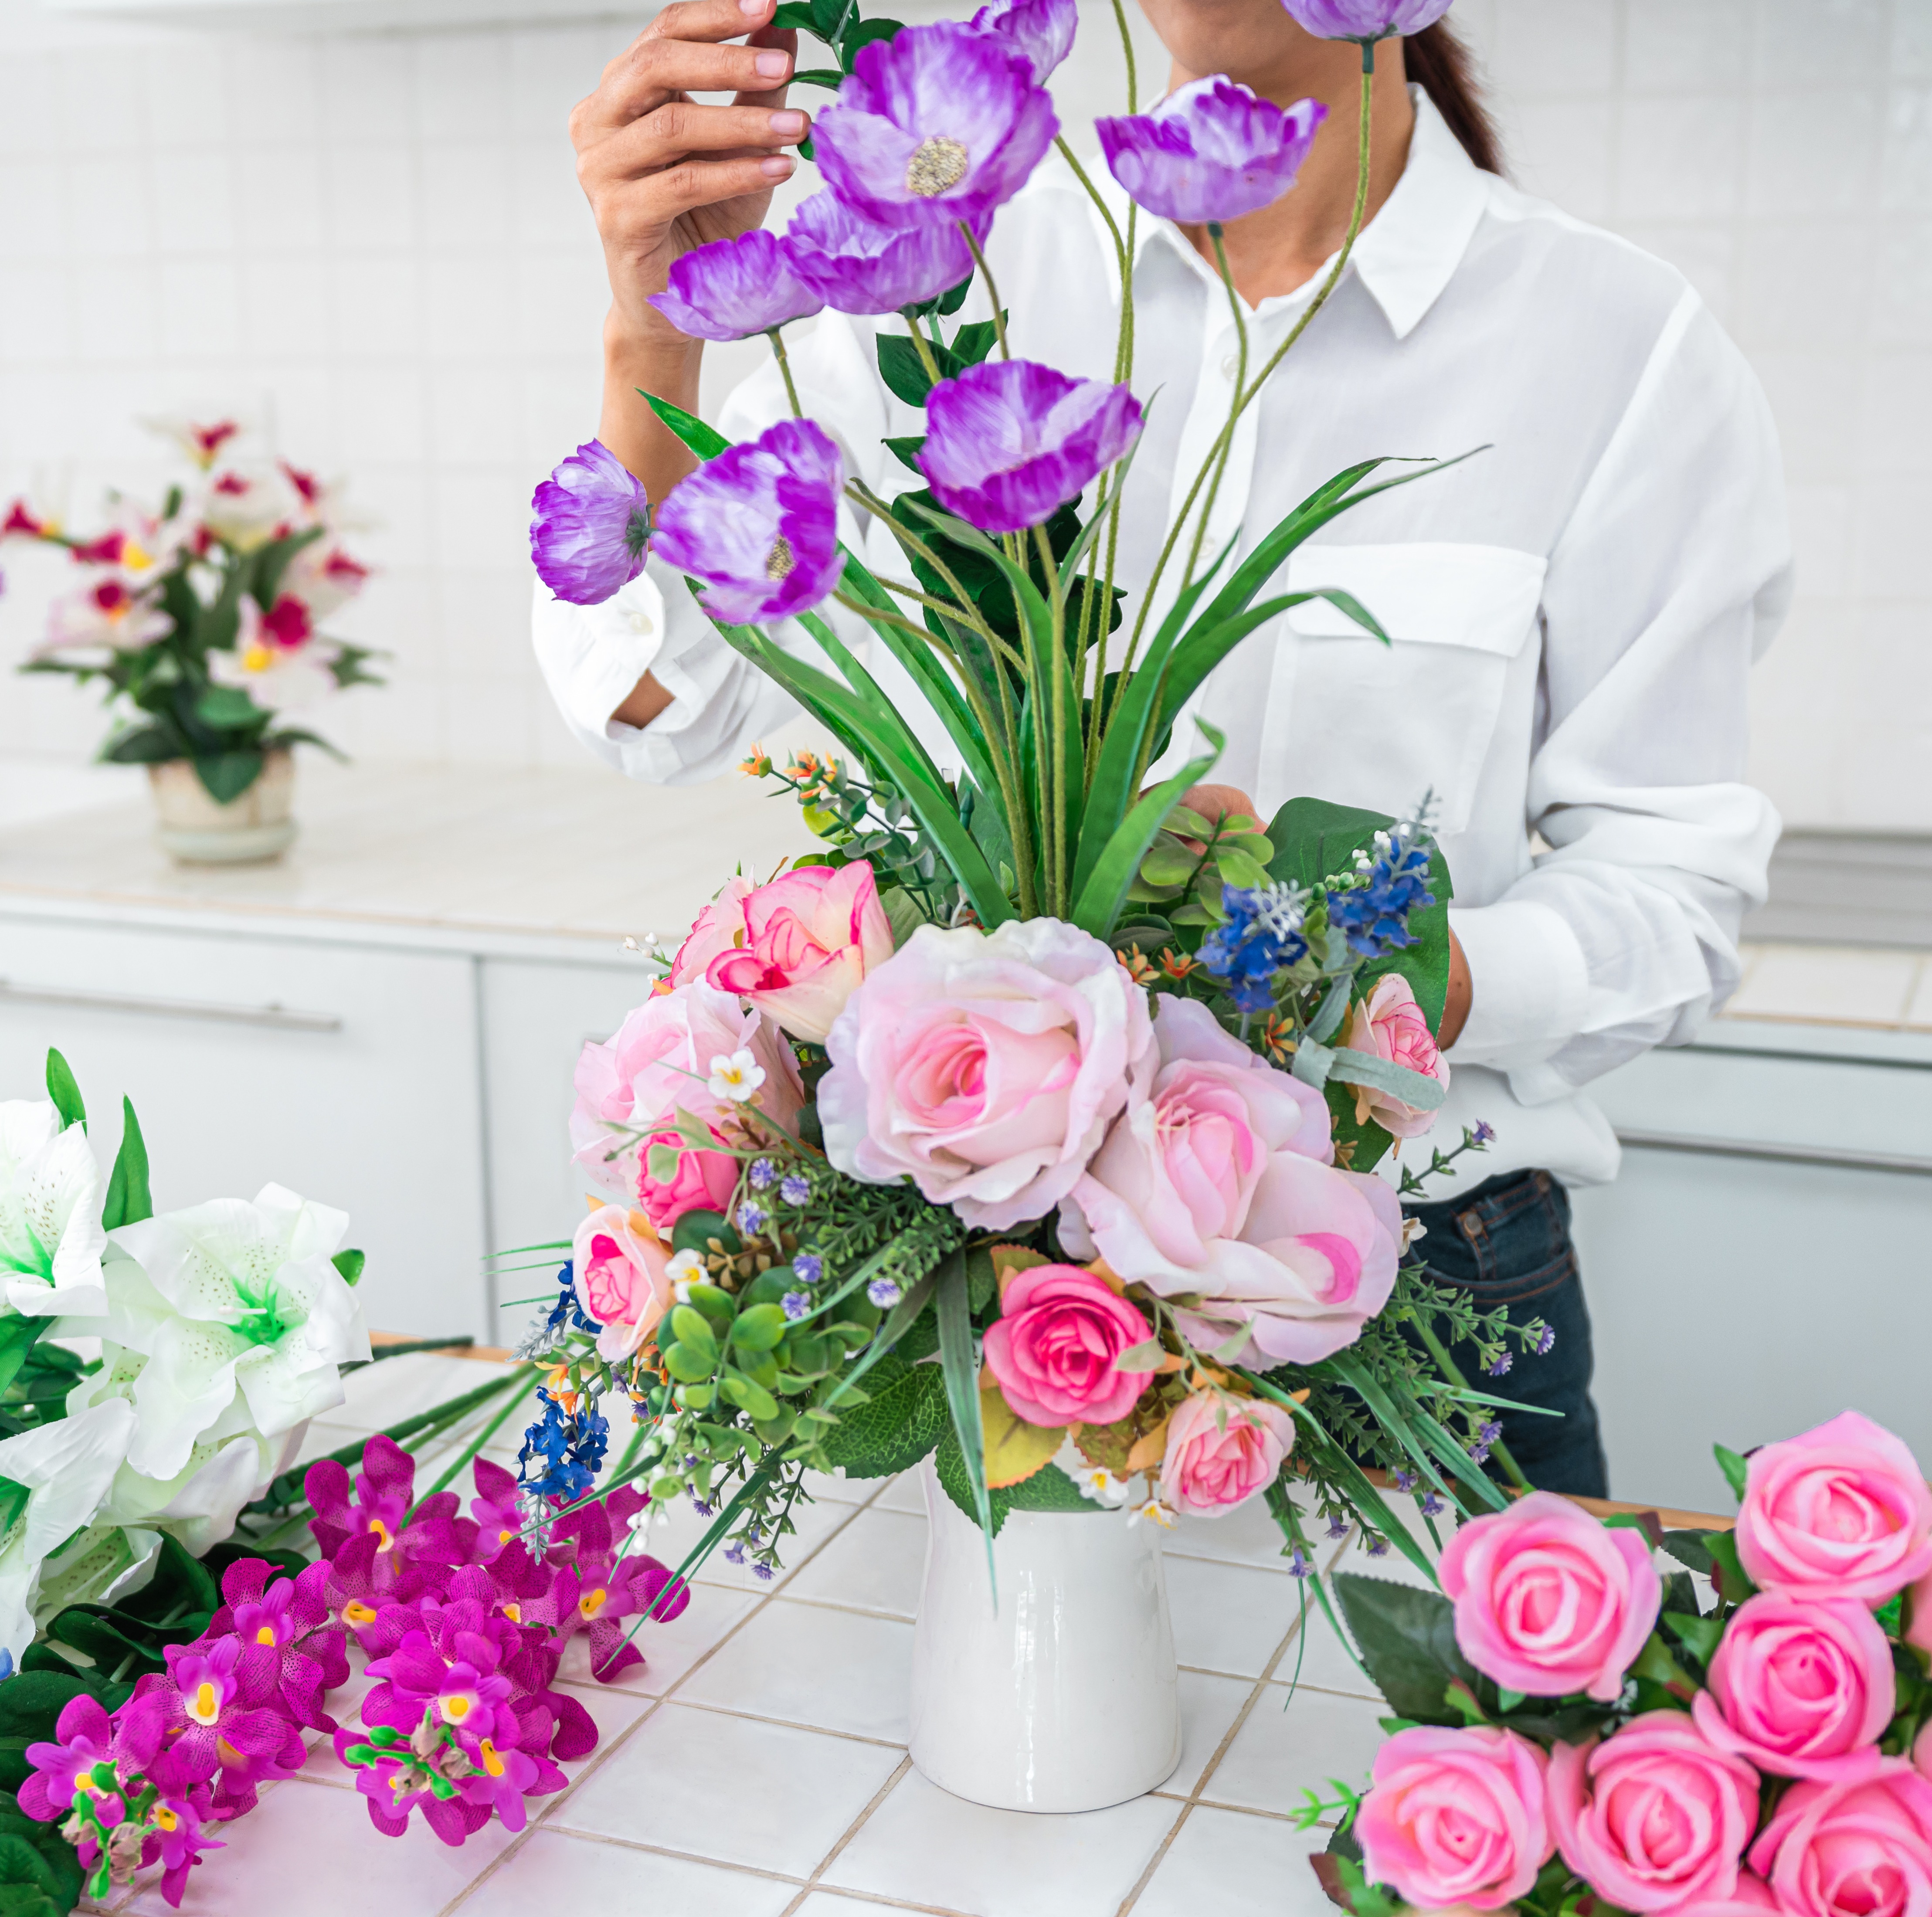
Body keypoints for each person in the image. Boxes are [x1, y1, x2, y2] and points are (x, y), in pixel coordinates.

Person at [534, 0, 1793, 1498]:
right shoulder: (949, 254)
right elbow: (660, 697)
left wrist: (1349, 976)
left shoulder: (1614, 350)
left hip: (1416, 1270)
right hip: (998, 1276)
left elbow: (1669, 895)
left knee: (1447, 1732)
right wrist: (653, 328)